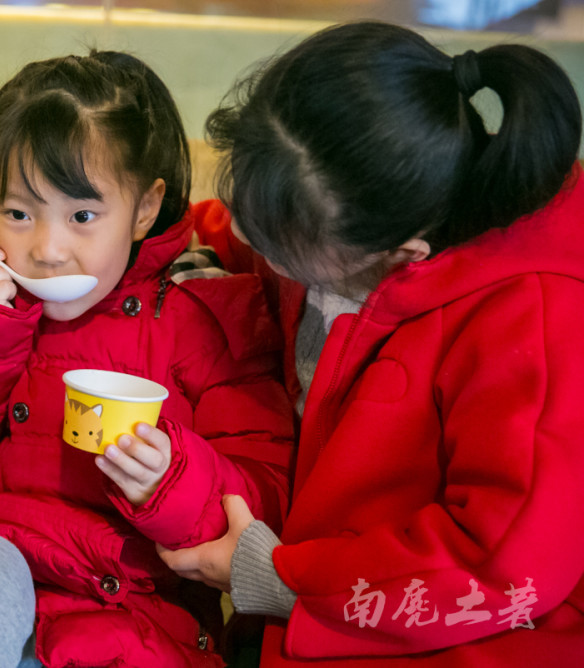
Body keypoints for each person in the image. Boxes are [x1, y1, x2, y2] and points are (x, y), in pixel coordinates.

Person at [0, 50, 295, 668]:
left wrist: (172, 480)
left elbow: (264, 503)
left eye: (82, 215)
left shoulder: (210, 315)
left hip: (132, 603)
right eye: (17, 213)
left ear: (143, 207)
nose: (46, 250)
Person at [158, 20, 584, 666]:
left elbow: (497, 563)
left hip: (453, 627)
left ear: (400, 258)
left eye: (282, 256)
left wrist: (278, 581)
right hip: (312, 564)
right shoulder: (350, 202)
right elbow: (234, 230)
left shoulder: (538, 321)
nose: (257, 248)